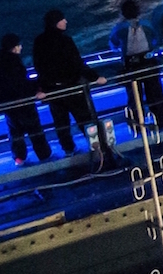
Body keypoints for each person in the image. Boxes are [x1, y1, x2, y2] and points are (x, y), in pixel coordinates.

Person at [33, 10, 111, 162]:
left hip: (53, 89)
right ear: (56, 22)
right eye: (62, 19)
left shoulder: (39, 42)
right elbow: (77, 63)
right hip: (72, 87)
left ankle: (68, 149)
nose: (66, 22)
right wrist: (95, 77)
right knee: (84, 118)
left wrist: (42, 86)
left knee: (61, 123)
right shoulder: (65, 41)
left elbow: (38, 66)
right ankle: (97, 146)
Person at [0, 33, 52, 166]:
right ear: (15, 47)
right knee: (35, 130)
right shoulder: (15, 61)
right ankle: (44, 155)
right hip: (22, 102)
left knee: (15, 132)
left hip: (7, 104)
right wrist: (36, 89)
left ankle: (19, 158)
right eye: (19, 45)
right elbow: (20, 83)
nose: (21, 48)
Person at [111, 0, 163, 134]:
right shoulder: (147, 24)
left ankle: (137, 127)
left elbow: (113, 45)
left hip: (131, 65)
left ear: (123, 13)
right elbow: (156, 39)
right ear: (138, 12)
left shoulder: (119, 29)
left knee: (134, 97)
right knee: (155, 93)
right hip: (149, 61)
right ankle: (162, 121)